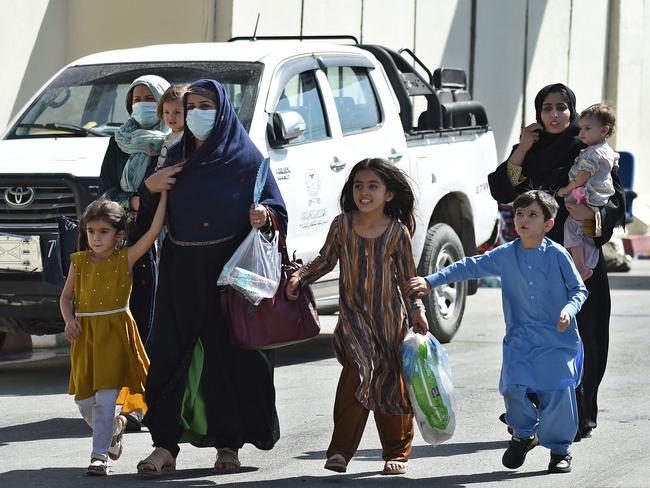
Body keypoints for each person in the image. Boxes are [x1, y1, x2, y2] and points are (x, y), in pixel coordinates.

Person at [135, 79, 287, 477]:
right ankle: (164, 446)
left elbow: (275, 209)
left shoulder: (246, 159)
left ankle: (228, 446)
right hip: (180, 270)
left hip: (228, 274)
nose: (198, 113)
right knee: (168, 356)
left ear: (223, 111)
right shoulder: (175, 156)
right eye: (192, 106)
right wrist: (148, 189)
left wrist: (265, 217)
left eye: (206, 105)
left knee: (228, 359)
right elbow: (150, 215)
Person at [408, 190, 587, 473]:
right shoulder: (506, 254)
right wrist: (430, 281)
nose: (523, 220)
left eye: (532, 215)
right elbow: (469, 266)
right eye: (519, 214)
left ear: (548, 224)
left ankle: (559, 450)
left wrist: (569, 310)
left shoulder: (558, 255)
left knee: (557, 395)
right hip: (520, 340)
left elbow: (579, 290)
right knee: (512, 389)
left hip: (556, 341)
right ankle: (523, 434)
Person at [487, 83, 625, 441]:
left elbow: (615, 203)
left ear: (573, 111)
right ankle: (533, 409)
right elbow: (503, 190)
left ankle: (578, 413)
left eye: (562, 107)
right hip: (536, 260)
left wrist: (587, 220)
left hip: (581, 257)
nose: (554, 114)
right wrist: (522, 147)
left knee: (585, 337)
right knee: (536, 335)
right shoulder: (530, 151)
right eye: (547, 107)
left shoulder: (590, 149)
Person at [286, 158, 429, 476]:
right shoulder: (342, 224)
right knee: (358, 375)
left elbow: (407, 277)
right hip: (352, 321)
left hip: (389, 320)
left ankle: (397, 452)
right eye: (358, 185)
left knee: (390, 384)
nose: (364, 192)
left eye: (373, 186)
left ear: (389, 194)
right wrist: (301, 277)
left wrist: (417, 311)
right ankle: (339, 451)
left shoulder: (396, 231)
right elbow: (325, 260)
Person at [60, 192, 167, 476]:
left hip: (116, 335)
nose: (95, 237)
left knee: (106, 401)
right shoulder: (79, 262)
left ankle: (99, 457)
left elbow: (154, 231)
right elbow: (65, 298)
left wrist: (163, 195)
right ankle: (115, 429)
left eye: (103, 231)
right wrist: (69, 320)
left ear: (119, 235)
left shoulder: (126, 258)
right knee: (84, 403)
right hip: (86, 339)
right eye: (91, 231)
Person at [99, 74, 170, 432]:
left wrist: (151, 200)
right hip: (126, 238)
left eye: (148, 97)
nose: (141, 103)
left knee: (153, 320)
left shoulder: (171, 141)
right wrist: (132, 200)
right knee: (128, 321)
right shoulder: (120, 141)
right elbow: (105, 188)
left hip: (161, 239)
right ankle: (127, 402)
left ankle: (147, 401)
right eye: (135, 98)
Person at [557, 103, 619, 281]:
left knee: (571, 228)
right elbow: (615, 157)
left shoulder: (593, 154)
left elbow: (582, 177)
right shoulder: (606, 150)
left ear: (604, 130)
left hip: (588, 198)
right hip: (599, 199)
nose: (581, 133)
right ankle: (586, 263)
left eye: (587, 128)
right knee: (585, 232)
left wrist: (567, 189)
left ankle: (580, 266)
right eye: (581, 128)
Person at [156, 84, 188, 170]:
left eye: (177, 112)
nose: (170, 117)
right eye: (166, 112)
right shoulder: (170, 135)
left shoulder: (186, 138)